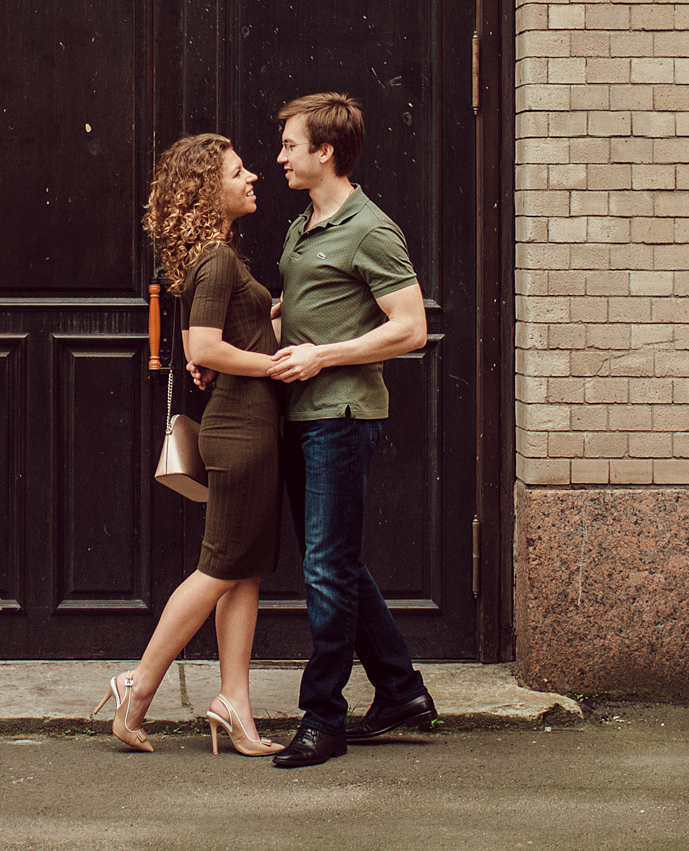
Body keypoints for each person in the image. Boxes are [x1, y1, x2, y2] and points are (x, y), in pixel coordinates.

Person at [93, 133, 287, 756]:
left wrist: (281, 321)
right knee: (219, 566)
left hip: (250, 423)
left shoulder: (219, 259)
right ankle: (138, 685)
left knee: (243, 569)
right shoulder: (218, 260)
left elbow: (228, 337)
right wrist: (280, 365)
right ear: (209, 189)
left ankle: (234, 703)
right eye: (238, 171)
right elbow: (202, 350)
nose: (253, 176)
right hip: (243, 428)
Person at [263, 91, 436, 769]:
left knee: (325, 567)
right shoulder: (304, 224)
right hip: (302, 415)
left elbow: (411, 328)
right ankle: (401, 692)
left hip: (340, 416)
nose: (279, 156)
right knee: (335, 563)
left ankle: (323, 719)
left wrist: (322, 356)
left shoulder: (370, 228)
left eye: (289, 145)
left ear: (324, 151)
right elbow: (299, 314)